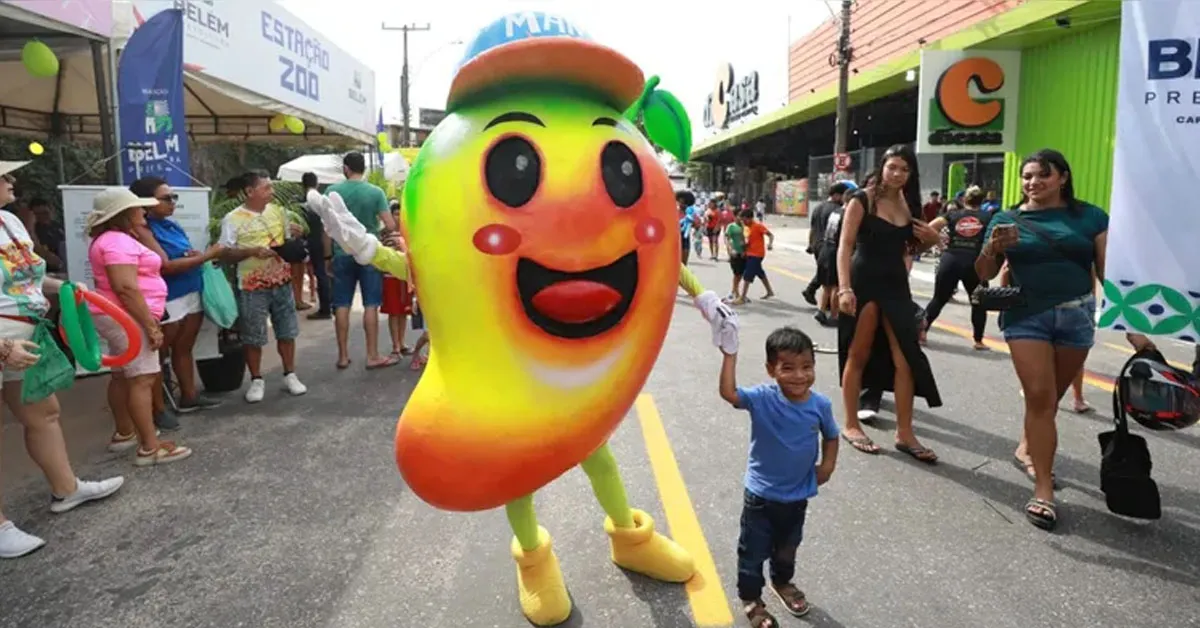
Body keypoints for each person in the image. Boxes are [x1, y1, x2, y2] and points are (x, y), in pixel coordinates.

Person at [975, 149, 1109, 531]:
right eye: (1027, 177)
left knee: (1049, 402)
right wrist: (992, 248)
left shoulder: (1090, 217)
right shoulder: (1006, 218)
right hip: (1026, 316)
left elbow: (1106, 270)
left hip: (1077, 315)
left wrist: (1131, 326)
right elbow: (982, 272)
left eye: (1041, 176)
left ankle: (1027, 446)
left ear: (1062, 178)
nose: (1032, 183)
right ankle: (1044, 490)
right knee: (1039, 397)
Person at [0, 172, 125, 559]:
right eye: (2, 174)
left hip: (26, 334)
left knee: (45, 412)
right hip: (5, 340)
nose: (11, 180)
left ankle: (66, 488)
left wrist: (66, 288)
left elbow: (27, 281)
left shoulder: (10, 220)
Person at [717, 327, 838, 628]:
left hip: (798, 496)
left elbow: (832, 436)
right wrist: (729, 355)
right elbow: (729, 393)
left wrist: (827, 467)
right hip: (760, 496)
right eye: (788, 368)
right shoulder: (762, 398)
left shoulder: (820, 404)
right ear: (771, 370)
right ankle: (751, 599)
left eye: (807, 367)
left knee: (788, 546)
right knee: (753, 551)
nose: (799, 375)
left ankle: (782, 583)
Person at [836, 145, 942, 461]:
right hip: (864, 281)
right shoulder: (863, 199)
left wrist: (933, 240)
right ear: (882, 167)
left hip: (897, 286)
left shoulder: (910, 205)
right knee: (858, 353)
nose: (897, 174)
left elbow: (911, 247)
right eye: (892, 167)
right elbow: (845, 246)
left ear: (911, 174)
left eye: (904, 169)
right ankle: (851, 423)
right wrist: (844, 289)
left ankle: (905, 433)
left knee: (906, 358)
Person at [87, 188, 194, 465]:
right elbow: (125, 287)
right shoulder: (117, 242)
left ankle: (125, 434)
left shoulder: (112, 239)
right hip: (128, 316)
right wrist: (150, 325)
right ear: (123, 214)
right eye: (137, 208)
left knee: (124, 375)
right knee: (142, 378)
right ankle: (149, 447)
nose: (143, 211)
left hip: (120, 315)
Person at [130, 177, 224, 413]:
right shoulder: (142, 229)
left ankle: (189, 396)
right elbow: (166, 265)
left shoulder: (171, 225)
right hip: (168, 296)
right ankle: (159, 408)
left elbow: (180, 255)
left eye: (174, 197)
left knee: (184, 347)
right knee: (159, 355)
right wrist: (205, 256)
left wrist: (192, 255)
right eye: (166, 198)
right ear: (146, 202)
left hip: (191, 288)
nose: (172, 203)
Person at [218, 171, 308, 403]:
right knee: (253, 335)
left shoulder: (278, 212)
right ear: (250, 191)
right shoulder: (232, 219)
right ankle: (257, 379)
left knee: (287, 331)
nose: (272, 192)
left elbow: (290, 238)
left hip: (282, 281)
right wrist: (250, 251)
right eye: (266, 188)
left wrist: (296, 233)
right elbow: (224, 253)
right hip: (251, 285)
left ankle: (290, 374)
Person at [327, 152, 399, 370]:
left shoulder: (331, 192)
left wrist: (327, 256)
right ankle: (372, 355)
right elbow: (390, 225)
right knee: (370, 304)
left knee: (342, 304)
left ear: (346, 168)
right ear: (363, 169)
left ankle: (342, 356)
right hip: (369, 251)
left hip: (341, 253)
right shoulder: (375, 192)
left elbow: (327, 229)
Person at [923, 185, 993, 349]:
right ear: (982, 201)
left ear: (963, 200)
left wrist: (939, 242)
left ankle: (922, 331)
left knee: (938, 299)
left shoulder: (953, 214)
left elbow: (930, 227)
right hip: (975, 261)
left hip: (951, 259)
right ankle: (978, 340)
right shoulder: (988, 216)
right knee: (978, 302)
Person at [802, 183, 850, 309]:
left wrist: (810, 244)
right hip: (828, 245)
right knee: (830, 276)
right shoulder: (836, 210)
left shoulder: (818, 207)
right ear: (836, 195)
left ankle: (817, 295)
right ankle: (814, 293)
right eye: (843, 196)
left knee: (823, 272)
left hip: (817, 244)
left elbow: (812, 228)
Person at [379, 201, 412, 359]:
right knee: (393, 312)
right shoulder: (384, 233)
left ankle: (402, 342)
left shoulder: (408, 233)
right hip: (390, 277)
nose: (399, 217)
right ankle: (395, 346)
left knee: (404, 312)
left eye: (401, 214)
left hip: (404, 278)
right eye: (396, 214)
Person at [300, 172, 332, 320]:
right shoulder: (316, 196)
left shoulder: (310, 198)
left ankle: (326, 308)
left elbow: (323, 223)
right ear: (317, 183)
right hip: (320, 239)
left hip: (317, 240)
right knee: (322, 273)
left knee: (321, 273)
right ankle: (328, 305)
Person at [737, 209, 776, 303]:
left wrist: (770, 244)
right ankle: (769, 291)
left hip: (757, 254)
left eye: (745, 220)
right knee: (760, 272)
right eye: (742, 220)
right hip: (750, 253)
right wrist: (744, 247)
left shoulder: (758, 226)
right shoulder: (747, 228)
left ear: (750, 218)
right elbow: (749, 241)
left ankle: (742, 297)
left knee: (748, 275)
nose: (744, 222)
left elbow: (770, 235)